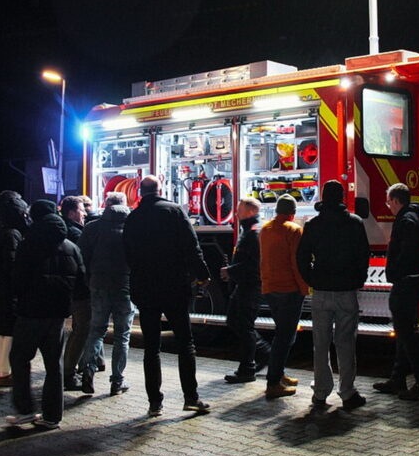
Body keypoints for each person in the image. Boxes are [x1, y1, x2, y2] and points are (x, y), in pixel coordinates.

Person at [124, 175, 212, 417]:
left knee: (151, 348)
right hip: (174, 287)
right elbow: (191, 246)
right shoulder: (174, 211)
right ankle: (191, 398)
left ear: (141, 192)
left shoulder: (133, 218)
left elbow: (128, 253)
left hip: (145, 289)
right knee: (185, 343)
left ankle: (155, 403)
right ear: (161, 189)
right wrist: (202, 274)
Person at [6, 200, 85, 430]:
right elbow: (81, 280)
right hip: (57, 315)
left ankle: (25, 410)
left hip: (30, 313)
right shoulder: (71, 246)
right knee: (54, 364)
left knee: (20, 359)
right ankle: (52, 416)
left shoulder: (28, 244)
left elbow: (17, 279)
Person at [296, 180, 369, 410]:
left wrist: (312, 279)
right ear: (341, 198)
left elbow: (302, 257)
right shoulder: (355, 223)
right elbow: (363, 255)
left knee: (320, 343)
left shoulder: (313, 225)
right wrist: (357, 280)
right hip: (346, 291)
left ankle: (320, 394)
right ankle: (347, 393)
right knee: (346, 343)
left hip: (321, 292)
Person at [373, 183, 419, 400]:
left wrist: (396, 272)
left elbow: (407, 252)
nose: (388, 206)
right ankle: (397, 379)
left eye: (389, 202)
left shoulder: (406, 220)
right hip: (412, 282)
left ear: (396, 201)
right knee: (403, 333)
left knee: (407, 336)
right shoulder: (414, 218)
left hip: (406, 283)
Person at [77, 191, 135, 396]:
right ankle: (117, 382)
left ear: (106, 205)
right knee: (122, 336)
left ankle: (87, 373)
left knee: (96, 331)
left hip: (98, 285)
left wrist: (89, 281)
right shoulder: (132, 227)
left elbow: (82, 258)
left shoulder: (92, 228)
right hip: (125, 286)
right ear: (124, 204)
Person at [259, 194, 308, 399]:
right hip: (289, 290)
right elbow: (296, 263)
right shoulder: (294, 230)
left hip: (270, 289)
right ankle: (273, 382)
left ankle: (279, 374)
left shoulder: (265, 229)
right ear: (292, 212)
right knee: (285, 336)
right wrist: (304, 288)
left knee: (282, 333)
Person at [221, 197, 271, 385]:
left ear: (250, 211)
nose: (236, 213)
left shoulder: (253, 232)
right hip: (245, 284)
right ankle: (259, 359)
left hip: (250, 285)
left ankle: (250, 366)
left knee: (243, 325)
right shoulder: (250, 231)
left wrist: (230, 271)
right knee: (235, 321)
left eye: (240, 210)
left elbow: (253, 263)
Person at [0, 190, 29, 386]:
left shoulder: (2, 231)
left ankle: (0, 369)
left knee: (2, 331)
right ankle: (5, 372)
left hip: (0, 290)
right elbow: (12, 263)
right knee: (9, 332)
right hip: (9, 292)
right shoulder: (13, 234)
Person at [59, 195, 93, 390]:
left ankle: (73, 370)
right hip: (80, 289)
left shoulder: (67, 230)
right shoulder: (75, 233)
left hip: (74, 288)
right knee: (82, 330)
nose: (85, 214)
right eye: (82, 210)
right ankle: (68, 374)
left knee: (81, 328)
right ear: (72, 213)